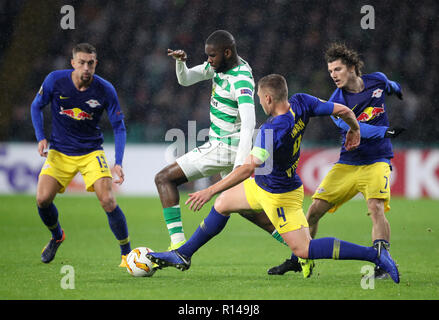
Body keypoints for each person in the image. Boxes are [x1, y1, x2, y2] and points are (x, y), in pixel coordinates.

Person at [146, 74, 400, 284]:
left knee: (304, 249)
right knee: (223, 205)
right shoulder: (301, 102)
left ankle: (374, 254)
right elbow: (343, 109)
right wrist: (355, 129)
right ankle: (183, 254)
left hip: (279, 195)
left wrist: (208, 190)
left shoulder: (271, 130)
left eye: (259, 99)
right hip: (263, 185)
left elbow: (247, 169)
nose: (259, 103)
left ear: (267, 98)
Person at [268, 43, 404, 279]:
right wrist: (385, 132)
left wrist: (396, 89)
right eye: (331, 71)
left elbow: (389, 85)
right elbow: (353, 128)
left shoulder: (377, 81)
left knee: (375, 208)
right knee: (313, 211)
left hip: (377, 160)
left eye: (338, 69)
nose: (333, 75)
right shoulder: (337, 101)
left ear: (352, 68)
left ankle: (382, 265)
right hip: (348, 164)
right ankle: (298, 259)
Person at [155, 30, 276, 251]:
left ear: (227, 53)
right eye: (207, 56)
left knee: (164, 178)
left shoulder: (240, 80)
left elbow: (250, 122)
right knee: (244, 208)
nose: (209, 60)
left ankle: (178, 246)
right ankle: (300, 248)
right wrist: (181, 63)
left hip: (225, 146)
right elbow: (185, 80)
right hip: (228, 147)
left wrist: (241, 163)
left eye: (212, 56)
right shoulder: (220, 68)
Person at [30, 43, 131, 267]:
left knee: (108, 200)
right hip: (59, 151)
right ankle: (57, 236)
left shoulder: (105, 89)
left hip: (91, 152)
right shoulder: (55, 81)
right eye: (82, 63)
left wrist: (119, 162)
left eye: (91, 63)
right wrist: (40, 137)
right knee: (42, 199)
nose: (86, 67)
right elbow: (36, 106)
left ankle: (126, 254)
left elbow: (119, 127)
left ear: (96, 64)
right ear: (73, 63)